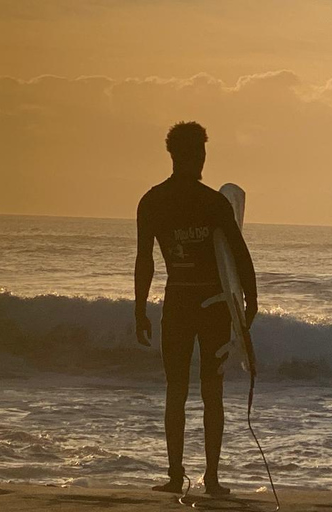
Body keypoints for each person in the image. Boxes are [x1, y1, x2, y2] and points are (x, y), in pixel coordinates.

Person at [134, 121, 258, 495]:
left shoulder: (155, 200)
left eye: (203, 152)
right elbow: (239, 255)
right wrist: (250, 301)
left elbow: (146, 261)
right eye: (198, 153)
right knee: (200, 390)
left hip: (186, 301)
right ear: (183, 155)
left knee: (190, 389)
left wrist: (140, 307)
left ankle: (192, 477)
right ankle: (196, 477)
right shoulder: (208, 202)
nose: (202, 159)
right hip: (207, 304)